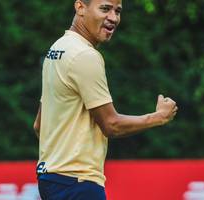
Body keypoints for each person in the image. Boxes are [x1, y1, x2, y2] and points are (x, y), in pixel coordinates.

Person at [33, 0, 178, 199]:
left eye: (117, 11)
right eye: (105, 8)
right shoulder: (85, 55)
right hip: (78, 182)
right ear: (80, 7)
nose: (113, 18)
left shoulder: (57, 48)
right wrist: (159, 117)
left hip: (51, 179)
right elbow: (111, 125)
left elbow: (39, 125)